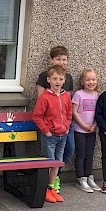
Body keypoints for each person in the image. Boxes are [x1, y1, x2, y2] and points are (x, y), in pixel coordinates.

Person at [36, 45, 74, 194]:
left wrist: (66, 125)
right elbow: (40, 107)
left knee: (65, 154)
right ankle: (48, 186)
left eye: (64, 59)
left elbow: (67, 107)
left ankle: (54, 180)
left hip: (63, 130)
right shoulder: (44, 79)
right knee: (50, 159)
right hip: (50, 129)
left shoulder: (67, 81)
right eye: (58, 59)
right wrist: (47, 130)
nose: (61, 62)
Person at [72, 69, 101, 193]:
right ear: (82, 82)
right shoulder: (78, 94)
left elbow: (98, 113)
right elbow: (74, 112)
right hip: (80, 130)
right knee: (81, 154)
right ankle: (81, 178)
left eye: (93, 79)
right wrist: (83, 125)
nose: (91, 82)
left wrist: (94, 125)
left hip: (92, 130)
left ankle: (89, 176)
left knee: (90, 155)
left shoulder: (97, 95)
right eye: (88, 79)